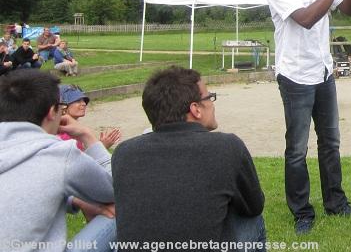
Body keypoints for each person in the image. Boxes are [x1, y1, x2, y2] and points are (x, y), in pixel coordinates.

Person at [265, 0, 351, 235]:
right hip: (295, 75)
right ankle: (302, 212)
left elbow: (350, 10)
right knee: (297, 149)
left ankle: (336, 203)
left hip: (322, 71)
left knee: (330, 143)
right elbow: (305, 19)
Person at [112, 67, 266, 245]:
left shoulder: (123, 153)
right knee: (254, 221)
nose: (212, 103)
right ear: (196, 109)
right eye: (209, 97)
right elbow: (254, 206)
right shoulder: (227, 146)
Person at [0, 69, 116, 252]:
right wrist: (88, 136)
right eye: (61, 108)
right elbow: (116, 190)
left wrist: (74, 200)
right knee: (116, 210)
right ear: (52, 112)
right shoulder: (61, 154)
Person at [58, 84, 121, 150]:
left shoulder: (71, 129)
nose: (84, 104)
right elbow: (80, 159)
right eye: (78, 101)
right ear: (63, 105)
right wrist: (102, 147)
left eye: (83, 100)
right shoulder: (65, 136)